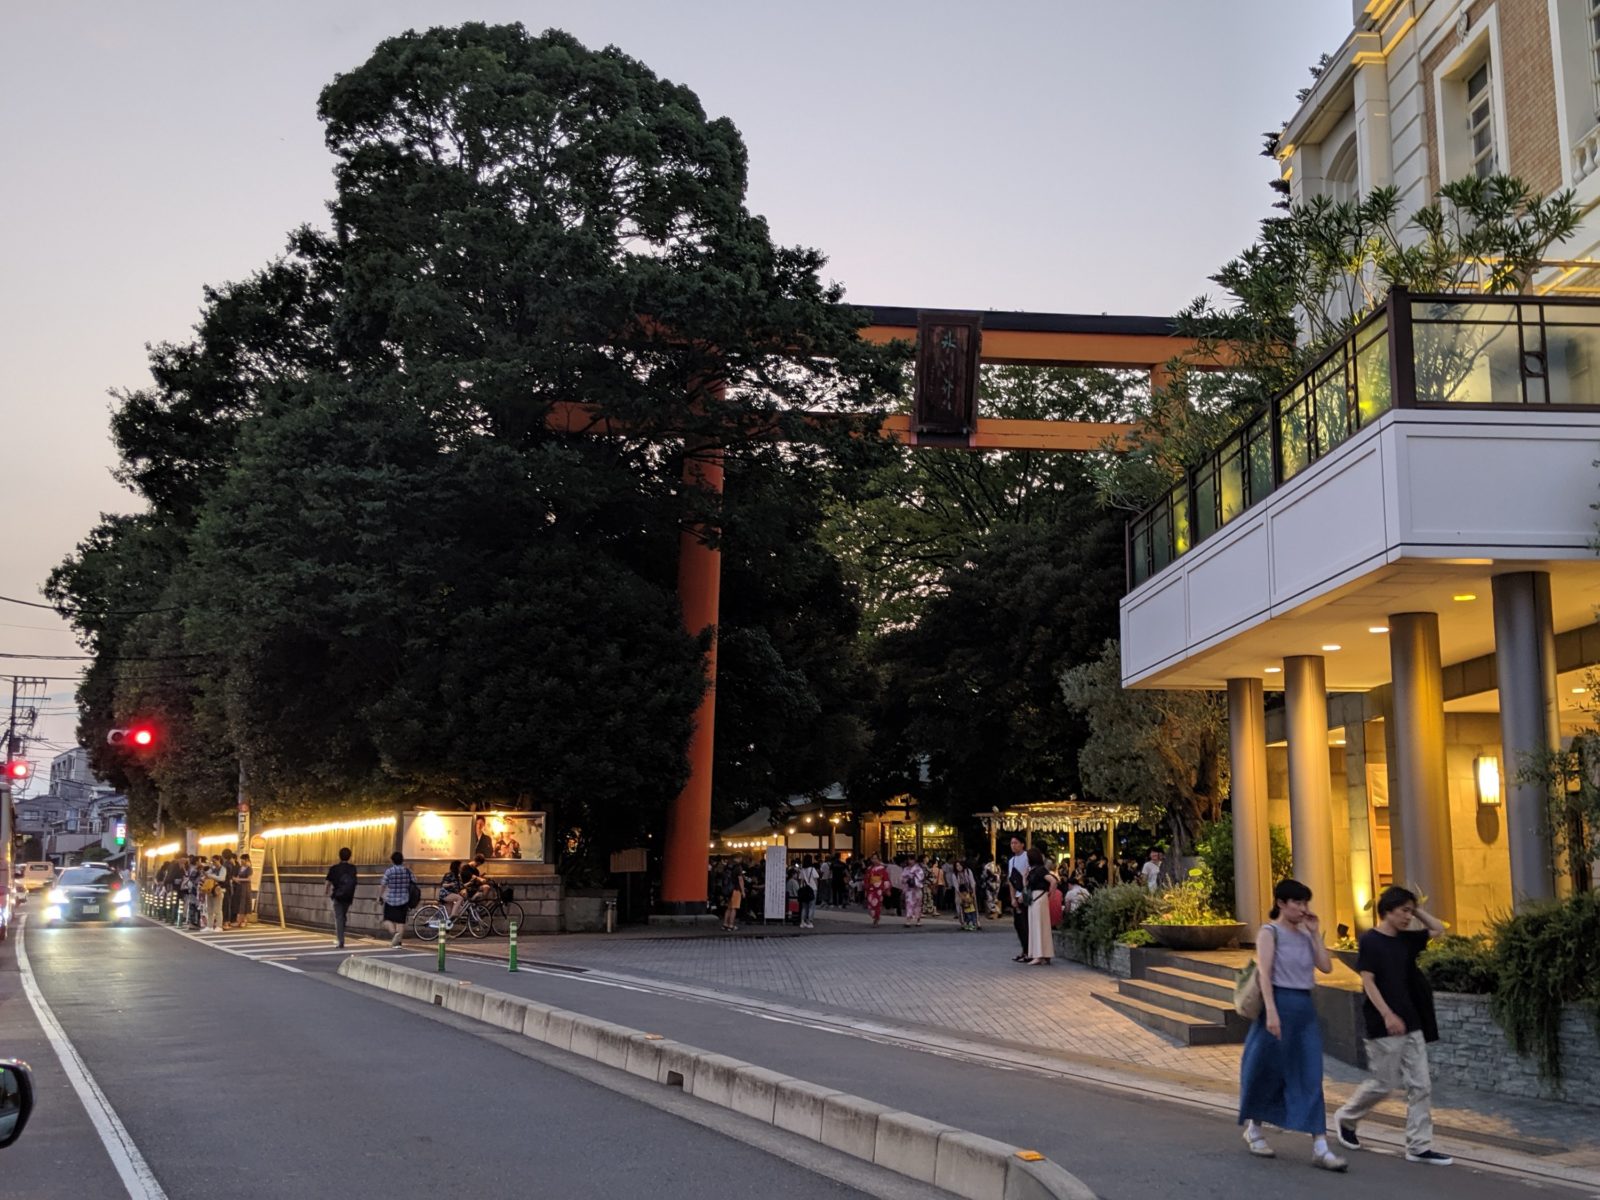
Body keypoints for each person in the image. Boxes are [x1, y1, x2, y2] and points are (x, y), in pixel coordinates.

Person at [1333, 887, 1453, 1166]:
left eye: (1410, 912)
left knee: (1421, 1085)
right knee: (1383, 1084)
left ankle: (1419, 1146)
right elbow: (1368, 981)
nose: (1408, 917)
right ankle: (1346, 1117)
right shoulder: (1371, 941)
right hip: (1383, 1023)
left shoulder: (1407, 940)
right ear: (1387, 910)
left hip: (1412, 1021)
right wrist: (1387, 1014)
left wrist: (1417, 906)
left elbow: (1438, 929)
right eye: (1403, 911)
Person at [1238, 878, 1345, 1171]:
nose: (1302, 908)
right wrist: (1271, 1011)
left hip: (1304, 1008)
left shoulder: (1305, 933)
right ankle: (1255, 1128)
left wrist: (1315, 935)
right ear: (1281, 904)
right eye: (1296, 902)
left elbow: (1326, 966)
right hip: (1278, 1005)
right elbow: (1265, 974)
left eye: (1305, 903)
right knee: (1266, 1069)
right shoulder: (1269, 932)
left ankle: (1320, 1146)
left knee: (1311, 1072)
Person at [1023, 849, 1055, 965]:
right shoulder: (1034, 870)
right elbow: (1026, 886)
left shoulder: (1040, 870)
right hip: (1036, 898)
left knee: (1038, 926)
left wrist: (1050, 894)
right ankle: (1044, 954)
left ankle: (1039, 955)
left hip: (1039, 897)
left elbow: (1052, 881)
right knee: (1039, 926)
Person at [379, 851, 416, 948]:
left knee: (387, 920)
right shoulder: (407, 871)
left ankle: (395, 934)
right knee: (401, 922)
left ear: (392, 861)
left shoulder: (389, 871)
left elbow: (383, 884)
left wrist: (380, 896)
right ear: (402, 860)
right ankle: (398, 943)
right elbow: (414, 881)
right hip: (404, 899)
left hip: (391, 899)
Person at [325, 847, 358, 947]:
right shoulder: (353, 868)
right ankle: (341, 934)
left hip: (338, 896)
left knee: (339, 917)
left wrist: (326, 891)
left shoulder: (334, 868)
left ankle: (340, 940)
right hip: (348, 896)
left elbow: (328, 882)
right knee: (343, 915)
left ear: (339, 856)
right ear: (349, 856)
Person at [1006, 835, 1031, 962]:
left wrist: (1023, 894)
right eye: (1011, 843)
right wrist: (1013, 898)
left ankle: (1029, 951)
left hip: (1025, 895)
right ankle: (1024, 949)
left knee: (1026, 924)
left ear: (1022, 844)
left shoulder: (1027, 857)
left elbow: (1028, 876)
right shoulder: (1012, 861)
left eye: (1016, 843)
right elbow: (1011, 881)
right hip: (1016, 895)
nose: (1013, 845)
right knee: (1018, 924)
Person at [863, 855, 891, 926]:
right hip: (871, 888)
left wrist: (887, 889)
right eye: (873, 859)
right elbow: (866, 879)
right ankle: (874, 917)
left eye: (876, 859)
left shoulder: (882, 869)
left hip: (879, 889)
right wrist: (866, 887)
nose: (874, 860)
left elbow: (886, 879)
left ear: (879, 859)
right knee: (870, 904)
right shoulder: (869, 869)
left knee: (877, 904)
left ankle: (876, 919)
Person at [901, 856, 926, 926]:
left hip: (917, 888)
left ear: (915, 860)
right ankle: (908, 920)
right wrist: (907, 879)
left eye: (912, 860)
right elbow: (902, 878)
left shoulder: (918, 869)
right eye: (909, 860)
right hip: (909, 889)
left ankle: (918, 920)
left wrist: (913, 876)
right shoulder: (906, 869)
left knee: (918, 904)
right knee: (909, 904)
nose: (910, 861)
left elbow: (921, 877)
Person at [796, 856, 819, 929]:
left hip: (804, 890)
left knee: (804, 907)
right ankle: (809, 922)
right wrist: (817, 888)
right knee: (811, 906)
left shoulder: (802, 870)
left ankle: (802, 922)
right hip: (812, 889)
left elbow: (801, 880)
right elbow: (816, 880)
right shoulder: (812, 869)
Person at [721, 860, 744, 932]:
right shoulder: (738, 868)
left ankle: (725, 924)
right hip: (736, 889)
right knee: (734, 908)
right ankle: (731, 925)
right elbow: (740, 880)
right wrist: (743, 891)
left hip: (728, 890)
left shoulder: (728, 867)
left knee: (728, 908)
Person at [234, 853, 254, 927]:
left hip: (246, 887)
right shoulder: (240, 868)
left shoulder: (249, 868)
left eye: (242, 860)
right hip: (240, 887)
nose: (241, 861)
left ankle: (244, 920)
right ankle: (239, 920)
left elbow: (249, 879)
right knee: (239, 902)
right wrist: (236, 879)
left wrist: (239, 879)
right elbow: (238, 876)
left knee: (244, 903)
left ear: (246, 860)